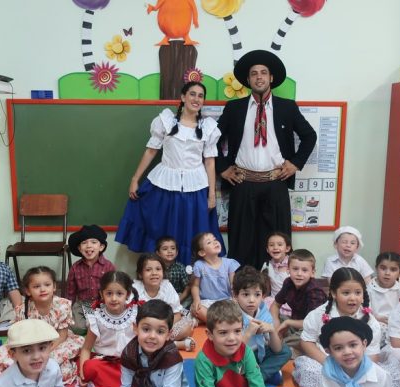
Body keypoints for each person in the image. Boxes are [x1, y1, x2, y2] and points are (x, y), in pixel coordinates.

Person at [216, 49, 317, 269]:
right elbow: (211, 139)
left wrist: (295, 163)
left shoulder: (287, 107)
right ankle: (241, 284)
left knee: (277, 243)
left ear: (271, 78)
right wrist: (222, 168)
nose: (259, 77)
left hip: (275, 184)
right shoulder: (234, 109)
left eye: (263, 73)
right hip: (243, 184)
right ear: (248, 80)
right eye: (254, 73)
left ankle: (276, 284)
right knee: (241, 241)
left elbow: (310, 136)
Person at [116, 81, 224, 265]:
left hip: (196, 188)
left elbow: (210, 162)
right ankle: (160, 272)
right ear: (183, 97)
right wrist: (135, 179)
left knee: (193, 232)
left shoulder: (208, 128)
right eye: (192, 94)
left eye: (200, 96)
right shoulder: (165, 122)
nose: (196, 99)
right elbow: (151, 151)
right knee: (163, 229)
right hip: (164, 185)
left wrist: (212, 194)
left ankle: (190, 275)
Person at [293, 268, 400, 387]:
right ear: (334, 293)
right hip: (328, 361)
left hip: (359, 364)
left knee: (386, 378)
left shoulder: (370, 321)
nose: (353, 298)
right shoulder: (319, 314)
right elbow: (307, 341)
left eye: (357, 293)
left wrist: (356, 371)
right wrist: (328, 363)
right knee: (310, 370)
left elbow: (372, 355)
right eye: (346, 293)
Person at [0, 266, 85, 386]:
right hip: (28, 344)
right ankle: (21, 377)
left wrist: (45, 351)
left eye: (47, 285)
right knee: (0, 358)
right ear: (28, 291)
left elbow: (62, 335)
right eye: (36, 286)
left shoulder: (62, 305)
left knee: (53, 364)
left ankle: (36, 377)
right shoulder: (23, 309)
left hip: (55, 343)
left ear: (54, 286)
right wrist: (28, 352)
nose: (42, 289)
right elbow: (20, 335)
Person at [78, 271, 141, 387]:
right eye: (109, 293)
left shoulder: (136, 313)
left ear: (128, 294)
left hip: (131, 363)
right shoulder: (96, 317)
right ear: (102, 294)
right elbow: (86, 349)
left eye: (119, 293)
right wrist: (82, 373)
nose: (114, 298)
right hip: (106, 364)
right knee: (90, 366)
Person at [233, 266, 291, 384]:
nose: (251, 300)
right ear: (235, 295)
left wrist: (272, 330)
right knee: (228, 367)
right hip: (239, 356)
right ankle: (264, 375)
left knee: (285, 351)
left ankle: (258, 376)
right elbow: (232, 350)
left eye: (257, 294)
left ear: (263, 296)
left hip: (259, 353)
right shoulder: (231, 314)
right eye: (245, 294)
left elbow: (277, 349)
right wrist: (248, 333)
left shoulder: (264, 312)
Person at [269, 249, 327, 358]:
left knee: (303, 338)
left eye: (304, 270)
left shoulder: (315, 291)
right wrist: (276, 324)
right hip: (295, 323)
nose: (299, 274)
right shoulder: (288, 283)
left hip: (315, 329)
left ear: (312, 273)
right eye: (295, 269)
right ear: (288, 269)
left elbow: (313, 323)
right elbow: (275, 305)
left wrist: (288, 323)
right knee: (271, 317)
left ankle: (282, 346)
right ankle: (282, 343)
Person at [132, 253, 196, 351]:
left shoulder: (166, 286)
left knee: (187, 327)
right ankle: (174, 345)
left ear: (163, 271)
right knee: (129, 332)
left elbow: (177, 314)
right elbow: (130, 316)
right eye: (148, 270)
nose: (154, 273)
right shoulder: (135, 288)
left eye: (158, 269)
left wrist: (162, 327)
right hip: (143, 328)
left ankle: (159, 343)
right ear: (140, 274)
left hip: (163, 326)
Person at [65, 225, 116, 335]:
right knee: (77, 327)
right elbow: (70, 292)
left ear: (101, 247)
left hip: (102, 304)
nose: (89, 246)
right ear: (79, 248)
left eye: (93, 242)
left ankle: (95, 325)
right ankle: (89, 326)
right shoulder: (75, 268)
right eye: (84, 243)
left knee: (106, 325)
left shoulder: (109, 266)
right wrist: (67, 309)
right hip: (82, 304)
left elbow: (114, 288)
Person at [189, 231, 240, 322]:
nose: (215, 242)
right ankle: (222, 322)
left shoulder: (229, 263)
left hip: (226, 300)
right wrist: (196, 300)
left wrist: (235, 298)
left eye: (215, 239)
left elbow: (233, 284)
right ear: (202, 252)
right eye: (209, 242)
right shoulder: (199, 265)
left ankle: (217, 321)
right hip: (207, 302)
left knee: (240, 307)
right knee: (198, 310)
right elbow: (195, 285)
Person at [366, 252, 400, 327]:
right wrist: (375, 318)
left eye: (393, 270)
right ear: (376, 268)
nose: (387, 273)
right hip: (374, 323)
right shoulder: (368, 289)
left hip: (396, 324)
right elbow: (364, 311)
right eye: (383, 268)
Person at [260, 231, 292, 310]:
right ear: (267, 249)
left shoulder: (293, 264)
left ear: (287, 248)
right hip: (273, 301)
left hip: (290, 302)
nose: (275, 247)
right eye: (271, 245)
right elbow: (266, 288)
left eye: (280, 244)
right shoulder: (267, 265)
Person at [155, 236, 191, 303]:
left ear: (177, 252)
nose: (170, 251)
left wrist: (178, 300)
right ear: (158, 253)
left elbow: (187, 287)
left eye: (173, 248)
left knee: (190, 298)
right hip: (159, 296)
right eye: (165, 249)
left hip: (177, 296)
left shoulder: (180, 267)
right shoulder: (155, 267)